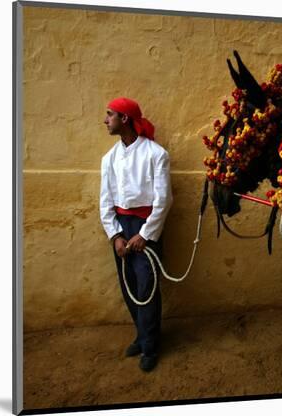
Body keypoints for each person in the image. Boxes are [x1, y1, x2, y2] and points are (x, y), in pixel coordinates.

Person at [100, 97, 173, 372]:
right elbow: (105, 200)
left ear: (125, 119)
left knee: (146, 288)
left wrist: (146, 234)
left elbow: (163, 200)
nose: (106, 120)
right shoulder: (109, 159)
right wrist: (115, 235)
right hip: (122, 228)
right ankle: (142, 337)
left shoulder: (156, 154)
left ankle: (151, 346)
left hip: (146, 228)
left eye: (110, 115)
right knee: (128, 284)